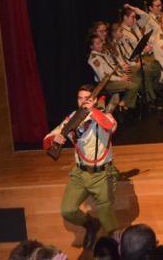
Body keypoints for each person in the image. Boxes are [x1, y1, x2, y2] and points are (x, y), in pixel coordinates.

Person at [43, 83, 120, 249]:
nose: (83, 101)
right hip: (80, 174)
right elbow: (47, 139)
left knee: (106, 215)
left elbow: (109, 126)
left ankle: (115, 247)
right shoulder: (72, 117)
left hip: (102, 174)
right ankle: (90, 224)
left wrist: (92, 110)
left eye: (87, 98)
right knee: (67, 210)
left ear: (95, 100)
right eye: (80, 98)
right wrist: (55, 140)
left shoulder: (105, 115)